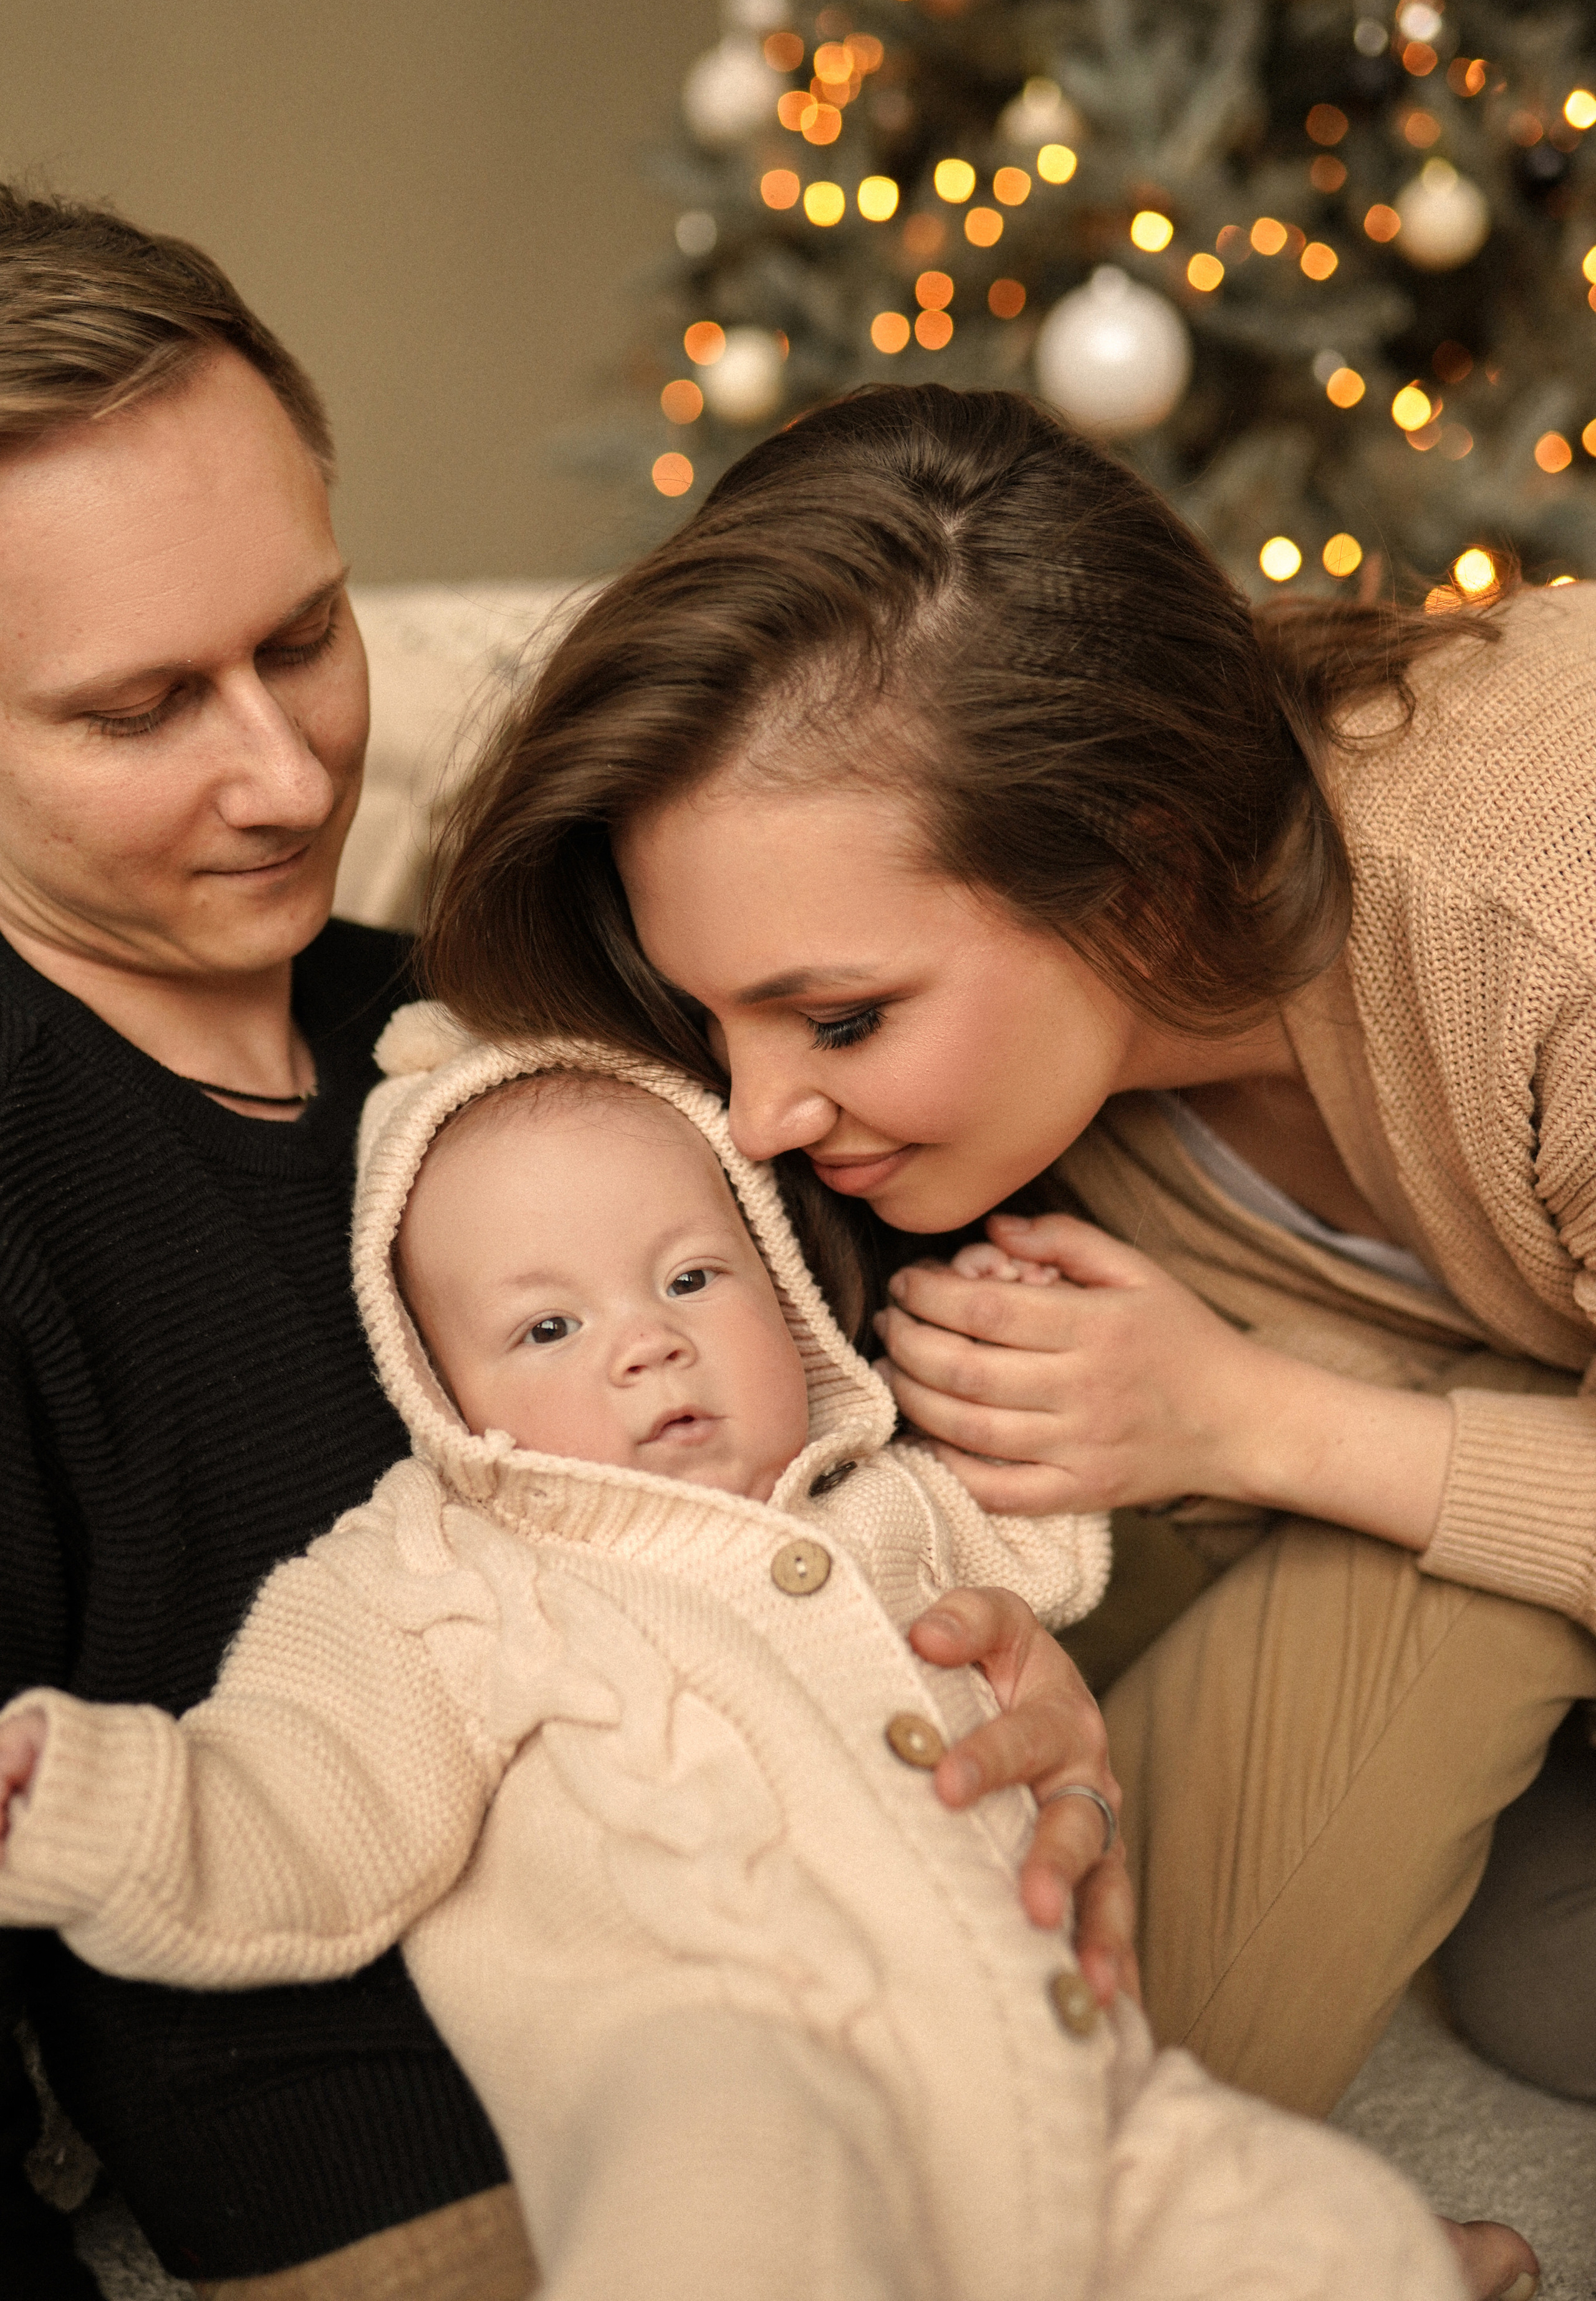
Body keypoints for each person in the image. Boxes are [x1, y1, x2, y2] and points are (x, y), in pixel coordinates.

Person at [0, 196, 1127, 2300]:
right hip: (450, 2172)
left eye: (305, 636)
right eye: (143, 707)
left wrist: (1030, 1683)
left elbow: (867, 1456)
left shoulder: (523, 1011)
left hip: (940, 1999)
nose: (284, 772)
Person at [419, 379, 1596, 2184]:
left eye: (839, 1017)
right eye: (713, 1014)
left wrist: (1268, 1424)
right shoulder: (994, 1090)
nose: (755, 1110)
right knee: (1536, 1976)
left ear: (1138, 866)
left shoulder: (1542, 908)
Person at [0, 1011, 1479, 2301]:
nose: (645, 1345)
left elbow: (1057, 1517)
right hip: (728, 2083)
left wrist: (1019, 1343)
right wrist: (86, 1799)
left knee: (1333, 2230)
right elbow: (306, 1797)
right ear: (439, 1392)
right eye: (549, 1324)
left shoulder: (883, 1500)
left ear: (783, 1287)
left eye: (693, 1280)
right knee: (727, 2227)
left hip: (1060, 2078)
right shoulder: (437, 1575)